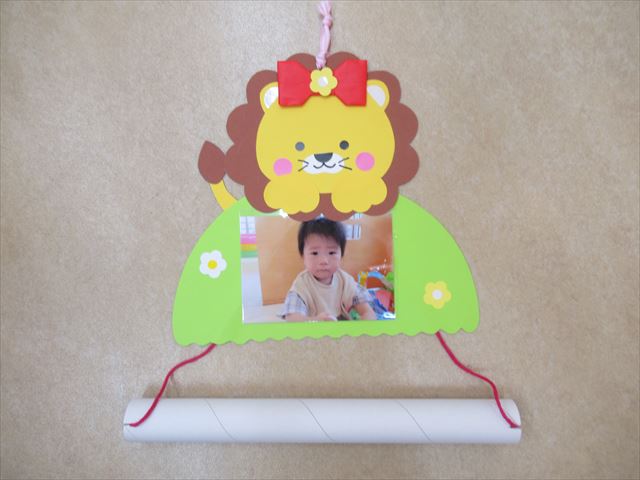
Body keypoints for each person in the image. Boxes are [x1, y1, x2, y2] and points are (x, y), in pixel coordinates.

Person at [282, 218, 377, 322]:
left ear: (341, 255)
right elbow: (292, 319)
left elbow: (367, 311)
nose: (324, 261)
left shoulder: (345, 281)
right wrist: (316, 321)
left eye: (331, 253)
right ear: (303, 256)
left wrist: (366, 321)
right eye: (314, 253)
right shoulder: (301, 286)